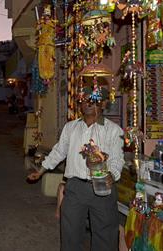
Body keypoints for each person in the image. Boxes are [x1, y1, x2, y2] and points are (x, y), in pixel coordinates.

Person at [28, 86, 124, 251]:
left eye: (93, 100)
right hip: (75, 188)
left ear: (104, 103)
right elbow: (59, 151)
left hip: (102, 188)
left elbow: (117, 159)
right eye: (84, 99)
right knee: (70, 234)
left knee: (105, 236)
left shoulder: (113, 130)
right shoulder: (71, 127)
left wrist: (112, 175)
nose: (88, 103)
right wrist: (41, 170)